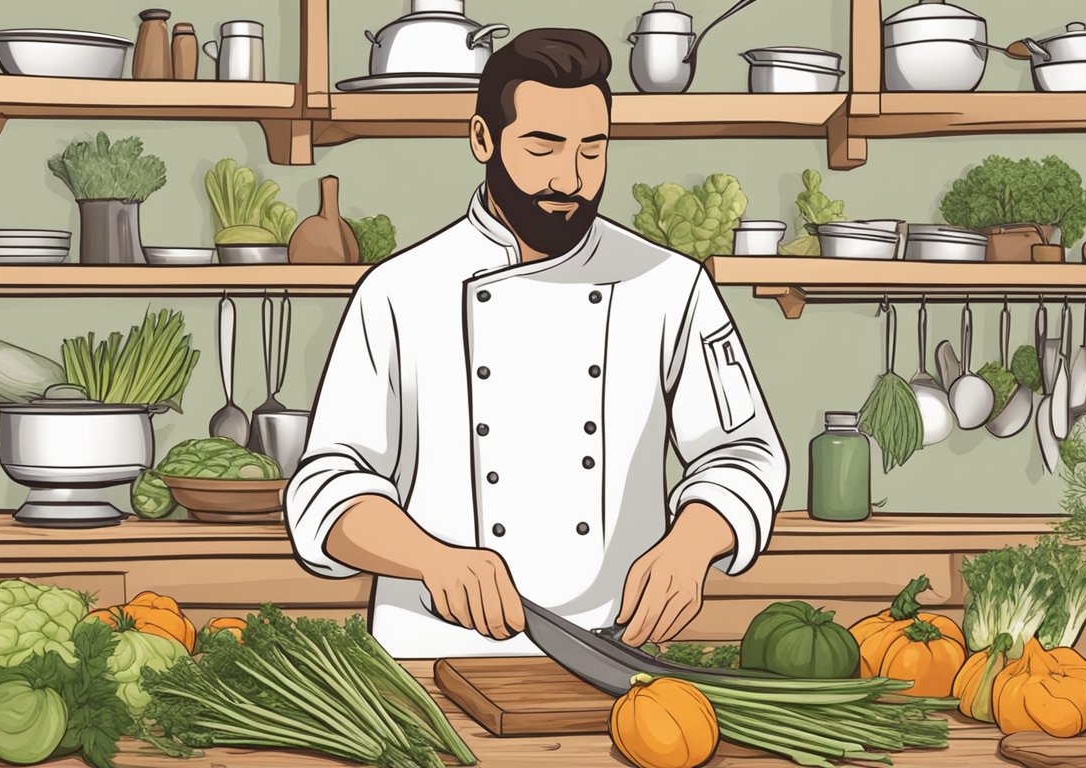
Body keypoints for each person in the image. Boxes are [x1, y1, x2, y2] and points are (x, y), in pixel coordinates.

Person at [286, 28, 787, 658]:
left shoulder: (670, 286)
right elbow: (326, 486)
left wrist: (692, 544)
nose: (571, 179)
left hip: (615, 646)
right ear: (482, 139)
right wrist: (432, 560)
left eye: (591, 150)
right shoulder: (397, 291)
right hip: (428, 651)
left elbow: (745, 452)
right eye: (543, 148)